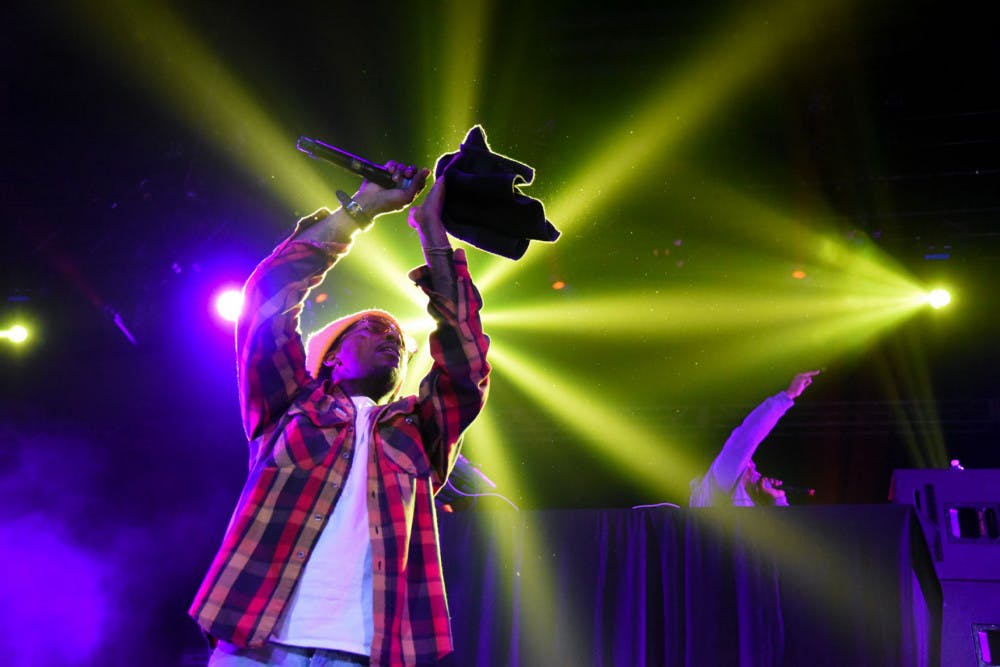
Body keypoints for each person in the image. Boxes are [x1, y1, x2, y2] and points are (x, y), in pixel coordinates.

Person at [189, 160, 491, 666]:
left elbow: (467, 363)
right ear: (331, 353)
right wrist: (362, 210)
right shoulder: (290, 404)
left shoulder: (419, 432)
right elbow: (267, 300)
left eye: (397, 339)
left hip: (359, 652)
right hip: (257, 639)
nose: (390, 340)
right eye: (372, 330)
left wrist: (432, 232)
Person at [689, 370, 819, 507]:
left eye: (749, 462)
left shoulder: (737, 493)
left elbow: (748, 436)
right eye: (749, 463)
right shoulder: (720, 481)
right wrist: (788, 396)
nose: (755, 468)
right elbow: (745, 439)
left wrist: (777, 499)